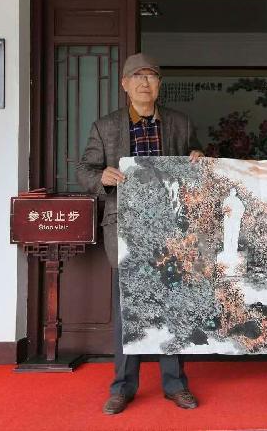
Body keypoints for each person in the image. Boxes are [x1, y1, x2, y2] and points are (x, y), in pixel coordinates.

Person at [77, 53, 204, 415]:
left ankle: (175, 384)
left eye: (151, 76)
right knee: (128, 310)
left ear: (159, 84)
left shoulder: (179, 123)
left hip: (170, 227)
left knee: (173, 304)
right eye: (137, 76)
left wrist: (199, 157)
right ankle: (122, 387)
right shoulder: (106, 127)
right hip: (126, 227)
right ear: (125, 84)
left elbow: (197, 161)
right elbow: (84, 169)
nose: (144, 83)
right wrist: (101, 177)